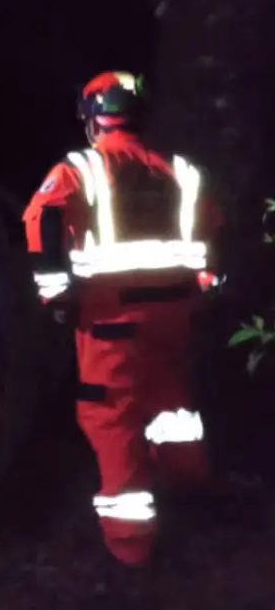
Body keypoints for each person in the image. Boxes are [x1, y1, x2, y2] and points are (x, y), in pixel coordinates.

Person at [22, 71, 221, 567]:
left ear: (93, 117)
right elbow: (212, 231)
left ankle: (131, 545)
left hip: (111, 315)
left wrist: (55, 294)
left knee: (111, 417)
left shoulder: (80, 168)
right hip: (174, 313)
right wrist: (202, 286)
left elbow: (39, 218)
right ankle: (189, 486)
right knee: (169, 401)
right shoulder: (181, 170)